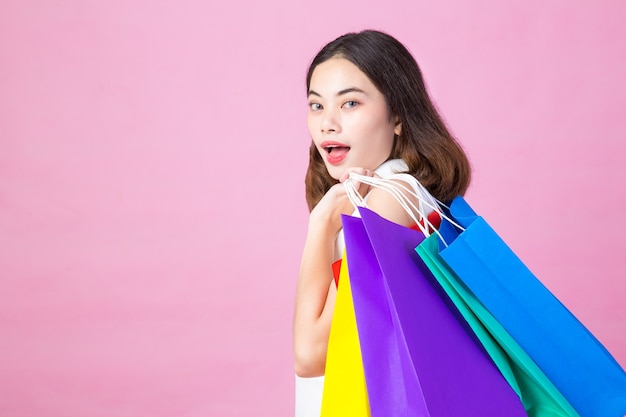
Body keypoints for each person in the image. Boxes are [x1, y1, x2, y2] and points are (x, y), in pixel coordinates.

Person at [292, 30, 472, 416]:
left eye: (350, 103)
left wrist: (320, 224)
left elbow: (311, 355)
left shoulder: (390, 198)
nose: (328, 123)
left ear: (398, 118)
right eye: (316, 105)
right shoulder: (385, 195)